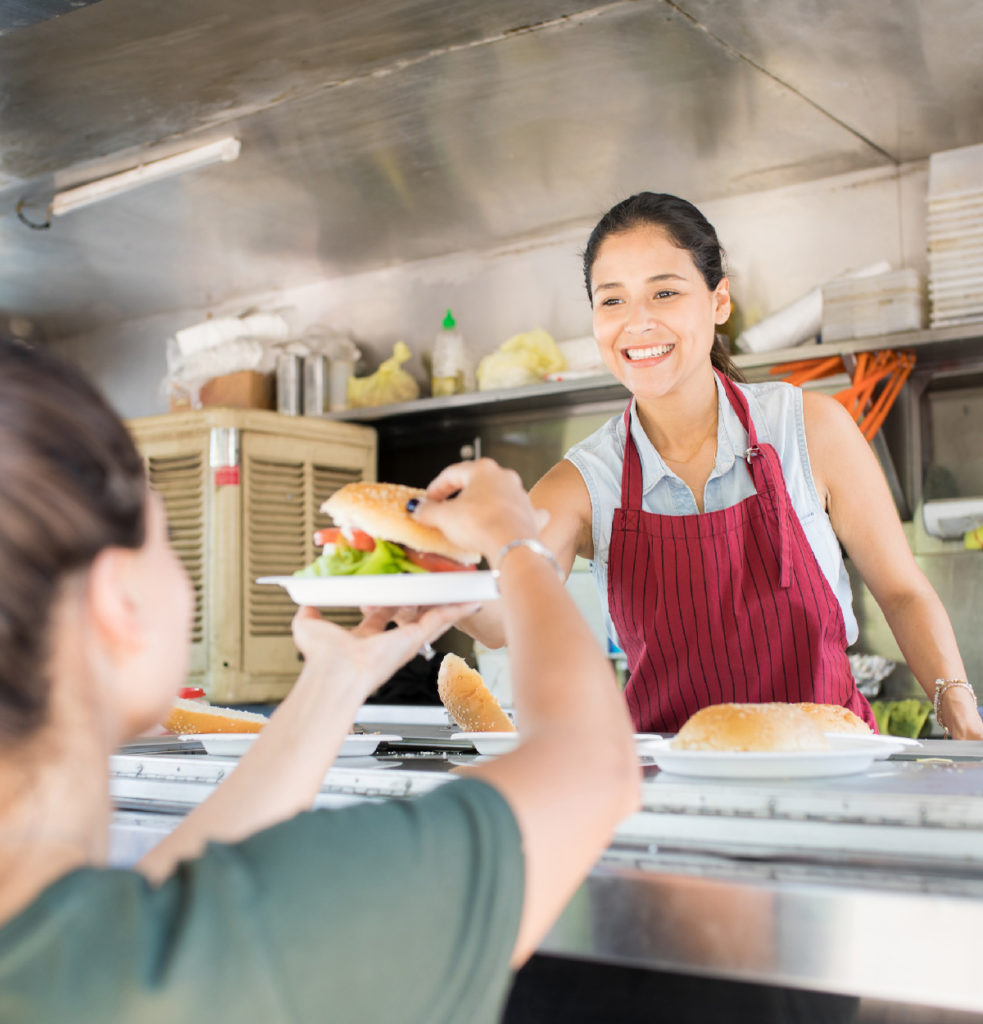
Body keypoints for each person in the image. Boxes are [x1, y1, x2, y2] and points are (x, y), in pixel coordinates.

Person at [0, 338, 640, 1022]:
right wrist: (519, 546)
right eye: (164, 538)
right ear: (116, 601)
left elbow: (171, 912)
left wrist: (337, 678)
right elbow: (595, 769)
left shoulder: (73, 952)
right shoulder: (217, 953)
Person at [462, 191, 982, 740]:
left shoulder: (811, 428)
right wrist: (426, 570)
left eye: (665, 292)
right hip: (672, 789)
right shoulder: (585, 482)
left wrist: (960, 711)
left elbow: (902, 593)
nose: (637, 323)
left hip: (829, 766)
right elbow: (503, 620)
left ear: (719, 302)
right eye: (611, 301)